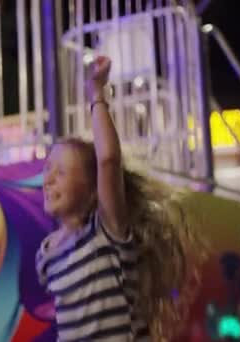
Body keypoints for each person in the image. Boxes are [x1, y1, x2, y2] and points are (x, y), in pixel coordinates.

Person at [35, 56, 207, 341]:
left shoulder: (106, 232)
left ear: (93, 191)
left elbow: (109, 160)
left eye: (61, 172)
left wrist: (97, 93)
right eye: (47, 169)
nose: (48, 178)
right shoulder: (46, 254)